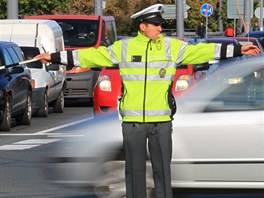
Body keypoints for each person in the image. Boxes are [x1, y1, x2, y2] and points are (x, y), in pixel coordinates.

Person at [34, 4, 260, 198]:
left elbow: (204, 51)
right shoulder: (124, 48)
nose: (161, 28)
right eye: (156, 24)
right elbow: (88, 56)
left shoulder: (172, 47)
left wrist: (239, 48)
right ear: (143, 26)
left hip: (161, 122)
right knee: (134, 172)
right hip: (132, 122)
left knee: (162, 172)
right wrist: (53, 57)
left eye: (161, 24)